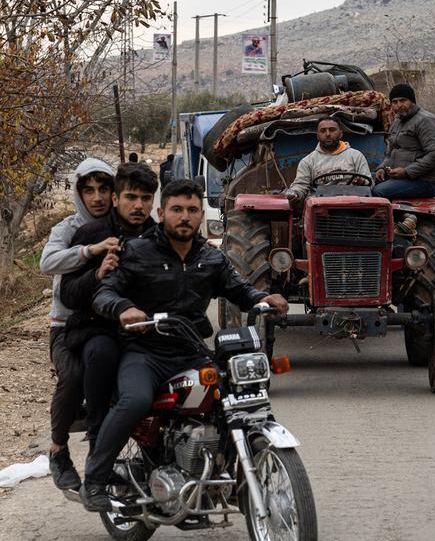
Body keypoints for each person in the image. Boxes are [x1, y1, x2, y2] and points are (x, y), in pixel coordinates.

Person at [79, 179, 288, 512]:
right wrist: (124, 309)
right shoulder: (136, 251)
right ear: (162, 213)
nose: (185, 217)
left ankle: (232, 479)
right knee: (135, 401)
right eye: (177, 209)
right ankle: (95, 479)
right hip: (146, 353)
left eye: (192, 210)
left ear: (201, 215)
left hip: (191, 351)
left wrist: (263, 298)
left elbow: (240, 290)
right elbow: (103, 293)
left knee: (234, 399)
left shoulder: (210, 257)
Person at [59, 162, 158, 456]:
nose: (138, 205)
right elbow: (68, 294)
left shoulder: (159, 235)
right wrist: (97, 275)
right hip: (97, 326)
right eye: (131, 197)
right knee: (101, 352)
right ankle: (97, 438)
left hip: (147, 328)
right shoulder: (92, 234)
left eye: (145, 198)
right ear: (117, 198)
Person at [40, 158, 115, 490]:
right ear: (78, 194)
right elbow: (48, 261)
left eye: (104, 189)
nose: (97, 197)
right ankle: (58, 451)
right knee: (71, 376)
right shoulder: (68, 229)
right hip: (66, 326)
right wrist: (90, 250)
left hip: (108, 324)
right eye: (89, 190)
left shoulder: (121, 224)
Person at [372, 83, 435, 200]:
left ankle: (386, 218)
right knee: (364, 185)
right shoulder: (397, 123)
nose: (399, 105)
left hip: (425, 181)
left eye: (403, 100)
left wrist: (407, 171)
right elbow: (391, 153)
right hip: (403, 178)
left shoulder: (426, 120)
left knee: (378, 192)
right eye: (395, 102)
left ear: (412, 101)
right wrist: (382, 168)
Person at [285, 116, 372, 202]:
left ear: (341, 133)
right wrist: (295, 193)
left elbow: (370, 184)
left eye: (332, 130)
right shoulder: (308, 161)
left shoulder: (356, 156)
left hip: (351, 203)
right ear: (317, 135)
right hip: (320, 206)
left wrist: (362, 182)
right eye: (323, 131)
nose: (327, 134)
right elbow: (300, 185)